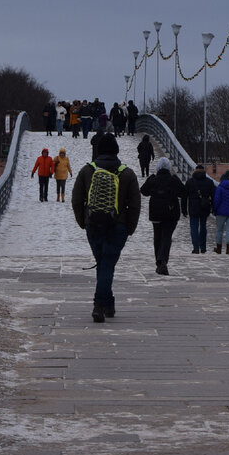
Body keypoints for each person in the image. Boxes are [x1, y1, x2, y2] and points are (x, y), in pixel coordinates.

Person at [72, 133, 140, 323]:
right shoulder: (127, 173)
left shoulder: (87, 171)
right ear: (117, 150)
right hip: (117, 227)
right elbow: (134, 205)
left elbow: (77, 200)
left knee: (103, 263)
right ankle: (100, 304)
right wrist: (130, 228)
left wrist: (82, 221)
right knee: (107, 264)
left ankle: (107, 303)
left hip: (93, 225)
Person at [141, 157, 186, 275]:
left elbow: (143, 191)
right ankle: (163, 261)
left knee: (157, 237)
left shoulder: (153, 179)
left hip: (155, 213)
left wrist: (150, 180)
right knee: (166, 236)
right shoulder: (173, 180)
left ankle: (159, 262)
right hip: (171, 213)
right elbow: (183, 192)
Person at [184, 164, 216, 253]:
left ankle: (196, 247)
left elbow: (184, 196)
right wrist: (213, 207)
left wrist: (183, 209)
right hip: (204, 206)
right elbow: (213, 196)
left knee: (194, 226)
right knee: (203, 226)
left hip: (193, 207)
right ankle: (203, 247)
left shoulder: (190, 182)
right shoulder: (209, 182)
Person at [212, 170, 229, 254]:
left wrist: (214, 210)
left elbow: (216, 200)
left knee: (219, 230)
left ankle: (219, 249)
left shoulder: (219, 188)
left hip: (221, 212)